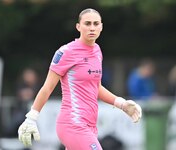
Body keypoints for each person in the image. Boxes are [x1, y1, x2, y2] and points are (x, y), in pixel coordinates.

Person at [18, 8, 142, 150]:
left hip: (90, 126)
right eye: (87, 23)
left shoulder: (97, 51)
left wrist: (122, 104)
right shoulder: (66, 51)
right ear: (78, 26)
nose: (92, 28)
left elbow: (96, 87)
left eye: (96, 24)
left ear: (101, 27)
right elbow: (48, 87)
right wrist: (31, 117)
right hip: (72, 124)